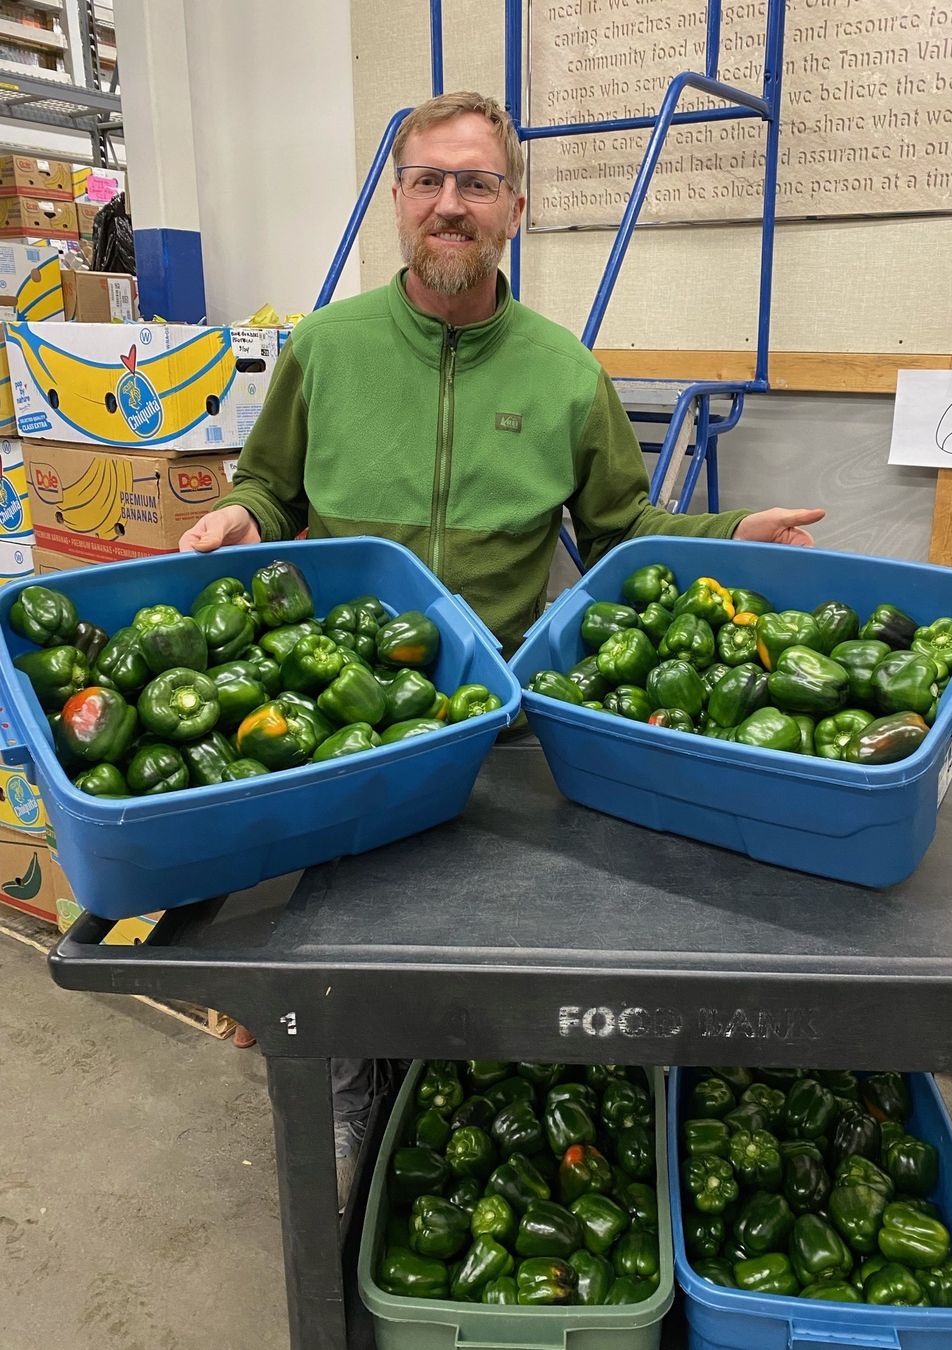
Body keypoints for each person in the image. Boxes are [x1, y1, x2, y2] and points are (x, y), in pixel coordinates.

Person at [179, 91, 825, 1206]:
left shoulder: (564, 372)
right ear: (397, 202)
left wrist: (736, 532)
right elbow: (270, 485)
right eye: (428, 180)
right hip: (348, 712)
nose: (450, 205)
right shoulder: (325, 350)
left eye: (475, 184)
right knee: (345, 945)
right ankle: (352, 1096)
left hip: (502, 717)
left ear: (514, 209)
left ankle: (495, 1114)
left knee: (485, 956)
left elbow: (623, 532)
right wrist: (241, 514)